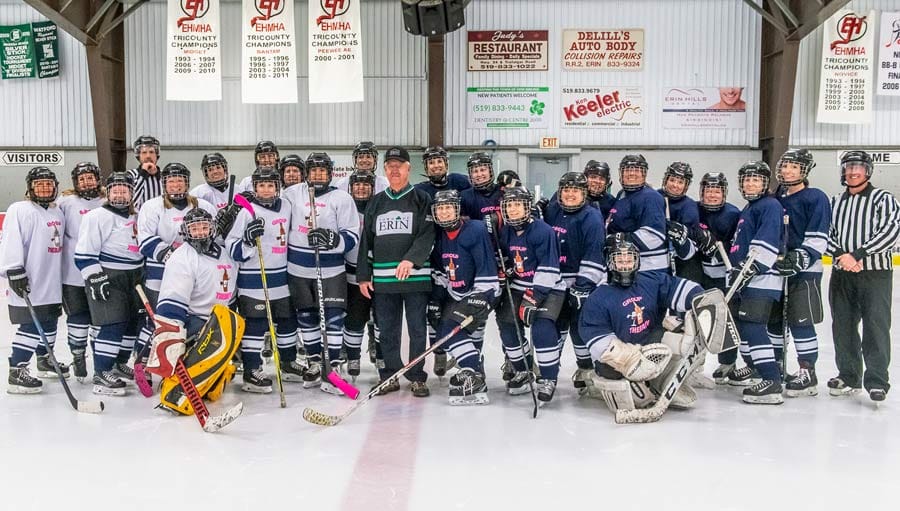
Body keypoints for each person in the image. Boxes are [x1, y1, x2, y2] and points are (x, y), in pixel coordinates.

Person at [578, 235, 705, 414]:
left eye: (629, 259)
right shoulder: (598, 297)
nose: (625, 265)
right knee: (638, 398)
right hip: (619, 361)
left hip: (650, 344)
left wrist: (702, 300)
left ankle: (661, 383)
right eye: (619, 260)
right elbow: (595, 336)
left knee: (685, 344)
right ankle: (604, 384)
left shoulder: (649, 281)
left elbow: (678, 288)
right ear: (609, 263)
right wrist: (628, 360)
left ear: (637, 261)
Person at [357, 146, 435, 397]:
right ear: (385, 170)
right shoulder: (377, 202)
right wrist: (363, 276)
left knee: (416, 330)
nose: (394, 170)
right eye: (389, 166)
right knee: (387, 330)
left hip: (415, 279)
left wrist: (411, 260)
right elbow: (366, 239)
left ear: (408, 169)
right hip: (383, 280)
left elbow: (428, 233)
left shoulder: (422, 199)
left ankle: (416, 376)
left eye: (398, 165)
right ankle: (390, 375)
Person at [146, 208, 242, 410]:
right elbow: (172, 304)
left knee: (217, 382)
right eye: (194, 228)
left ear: (212, 229)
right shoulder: (182, 258)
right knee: (203, 357)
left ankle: (205, 382)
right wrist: (173, 338)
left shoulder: (225, 255)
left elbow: (230, 297)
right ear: (186, 232)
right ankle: (175, 394)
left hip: (218, 319)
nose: (199, 232)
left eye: (204, 227)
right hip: (194, 321)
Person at [826, 150, 900, 402]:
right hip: (842, 273)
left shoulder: (884, 199)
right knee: (842, 326)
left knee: (875, 326)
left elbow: (891, 231)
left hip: (875, 274)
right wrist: (841, 255)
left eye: (857, 167)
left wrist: (857, 254)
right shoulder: (836, 201)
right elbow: (826, 233)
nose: (852, 171)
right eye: (848, 167)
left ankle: (877, 380)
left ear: (868, 170)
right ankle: (849, 375)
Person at [283, 152, 359, 394]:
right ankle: (315, 361)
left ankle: (333, 364)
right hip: (298, 268)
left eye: (322, 170)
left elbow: (352, 234)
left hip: (331, 269)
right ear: (306, 172)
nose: (318, 174)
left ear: (329, 172)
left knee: (334, 317)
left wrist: (332, 239)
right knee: (306, 316)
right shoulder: (292, 194)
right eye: (313, 170)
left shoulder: (342, 197)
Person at [227, 166, 303, 393]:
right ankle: (252, 370)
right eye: (262, 185)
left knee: (288, 320)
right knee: (256, 324)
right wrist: (248, 241)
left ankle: (288, 363)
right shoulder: (247, 212)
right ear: (255, 188)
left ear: (277, 187)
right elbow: (232, 248)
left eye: (271, 185)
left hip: (281, 277)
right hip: (253, 279)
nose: (267, 190)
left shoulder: (287, 207)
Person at [135, 163, 217, 371]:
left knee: (188, 321)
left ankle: (184, 363)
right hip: (159, 275)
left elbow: (216, 236)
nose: (176, 184)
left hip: (194, 276)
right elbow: (145, 240)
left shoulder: (203, 206)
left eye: (180, 180)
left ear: (187, 183)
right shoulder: (152, 206)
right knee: (160, 322)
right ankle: (143, 360)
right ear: (164, 184)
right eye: (171, 181)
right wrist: (174, 257)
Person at [767, 149, 831, 398]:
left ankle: (807, 371)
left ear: (804, 170)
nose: (787, 171)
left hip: (805, 271)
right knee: (774, 321)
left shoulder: (816, 197)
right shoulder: (777, 198)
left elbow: (818, 237)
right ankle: (776, 365)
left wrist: (801, 257)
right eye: (785, 166)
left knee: (800, 321)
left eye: (794, 167)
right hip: (776, 269)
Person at [74, 172, 145, 396]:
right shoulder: (97, 216)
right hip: (109, 276)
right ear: (108, 192)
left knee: (131, 324)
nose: (120, 193)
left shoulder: (137, 215)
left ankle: (118, 363)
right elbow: (84, 253)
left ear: (132, 193)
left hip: (134, 276)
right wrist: (94, 276)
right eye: (115, 190)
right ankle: (101, 372)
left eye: (124, 190)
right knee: (112, 323)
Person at [495, 186, 566, 403]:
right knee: (506, 324)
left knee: (542, 326)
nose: (514, 210)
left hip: (549, 286)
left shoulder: (543, 231)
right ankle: (524, 369)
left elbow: (550, 267)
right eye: (509, 205)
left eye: (518, 205)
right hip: (518, 285)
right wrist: (503, 268)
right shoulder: (505, 231)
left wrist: (534, 296)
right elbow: (505, 258)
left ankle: (548, 378)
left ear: (527, 207)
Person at [429, 190, 498, 404]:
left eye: (448, 207)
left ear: (457, 209)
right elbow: (441, 273)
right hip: (455, 293)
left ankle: (474, 376)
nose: (444, 212)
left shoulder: (475, 230)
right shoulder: (439, 236)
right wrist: (435, 300)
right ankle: (475, 370)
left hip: (482, 291)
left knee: (450, 329)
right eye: (440, 208)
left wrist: (480, 296)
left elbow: (486, 266)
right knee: (462, 333)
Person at [0, 167, 66, 393]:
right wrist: (13, 269)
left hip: (52, 279)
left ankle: (44, 360)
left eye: (49, 184)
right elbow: (10, 239)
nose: (45, 188)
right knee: (31, 325)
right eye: (39, 184)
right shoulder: (20, 209)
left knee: (49, 321)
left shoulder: (57, 212)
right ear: (30, 188)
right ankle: (17, 371)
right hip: (30, 279)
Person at [727, 161, 785, 404]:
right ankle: (756, 368)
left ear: (765, 183)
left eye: (756, 179)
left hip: (762, 279)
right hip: (747, 279)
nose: (750, 183)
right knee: (742, 325)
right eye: (747, 179)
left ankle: (771, 381)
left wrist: (750, 268)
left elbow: (768, 241)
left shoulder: (770, 205)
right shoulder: (750, 208)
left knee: (753, 326)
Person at [541, 172, 606, 389]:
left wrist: (583, 285)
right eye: (566, 190)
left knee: (580, 329)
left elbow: (594, 253)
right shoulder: (552, 211)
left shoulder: (592, 217)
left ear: (584, 193)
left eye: (575, 190)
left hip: (581, 282)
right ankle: (549, 374)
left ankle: (587, 369)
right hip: (556, 282)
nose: (570, 194)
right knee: (555, 326)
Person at [692, 173, 742, 384]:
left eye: (717, 190)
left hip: (725, 275)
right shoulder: (694, 210)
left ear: (724, 193)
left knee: (726, 319)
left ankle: (728, 363)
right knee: (697, 318)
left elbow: (739, 243)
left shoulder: (733, 214)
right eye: (708, 190)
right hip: (700, 273)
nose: (712, 195)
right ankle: (695, 364)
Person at [57, 162, 105, 382]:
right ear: (76, 182)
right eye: (81, 179)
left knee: (99, 318)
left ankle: (99, 360)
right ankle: (77, 356)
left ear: (97, 179)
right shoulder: (66, 202)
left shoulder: (107, 201)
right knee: (78, 317)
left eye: (90, 177)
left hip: (101, 272)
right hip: (73, 274)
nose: (86, 182)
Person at [342, 169, 378, 378]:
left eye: (366, 184)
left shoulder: (379, 208)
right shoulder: (345, 209)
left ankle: (381, 355)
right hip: (351, 275)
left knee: (381, 320)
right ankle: (353, 356)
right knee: (354, 319)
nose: (361, 188)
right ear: (351, 188)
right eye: (357, 184)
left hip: (376, 274)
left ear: (372, 188)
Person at [606, 154, 669, 274]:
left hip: (648, 268)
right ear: (621, 173)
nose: (632, 174)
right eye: (627, 170)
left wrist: (619, 239)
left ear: (644, 174)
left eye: (637, 170)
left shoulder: (651, 197)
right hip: (624, 264)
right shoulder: (622, 194)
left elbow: (654, 237)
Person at [659, 162, 704, 283]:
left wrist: (682, 233)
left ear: (686, 185)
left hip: (681, 262)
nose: (675, 185)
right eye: (672, 180)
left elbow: (693, 236)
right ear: (666, 180)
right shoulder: (655, 197)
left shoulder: (689, 206)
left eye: (680, 182)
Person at [460, 152, 502, 221]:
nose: (479, 174)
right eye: (475, 171)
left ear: (490, 171)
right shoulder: (465, 197)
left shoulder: (502, 191)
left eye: (483, 170)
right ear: (470, 174)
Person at [127, 135, 163, 211]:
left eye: (151, 152)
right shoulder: (130, 175)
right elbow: (131, 203)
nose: (148, 156)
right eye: (144, 152)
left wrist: (158, 175)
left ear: (157, 155)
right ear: (138, 156)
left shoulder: (165, 175)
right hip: (139, 220)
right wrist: (142, 174)